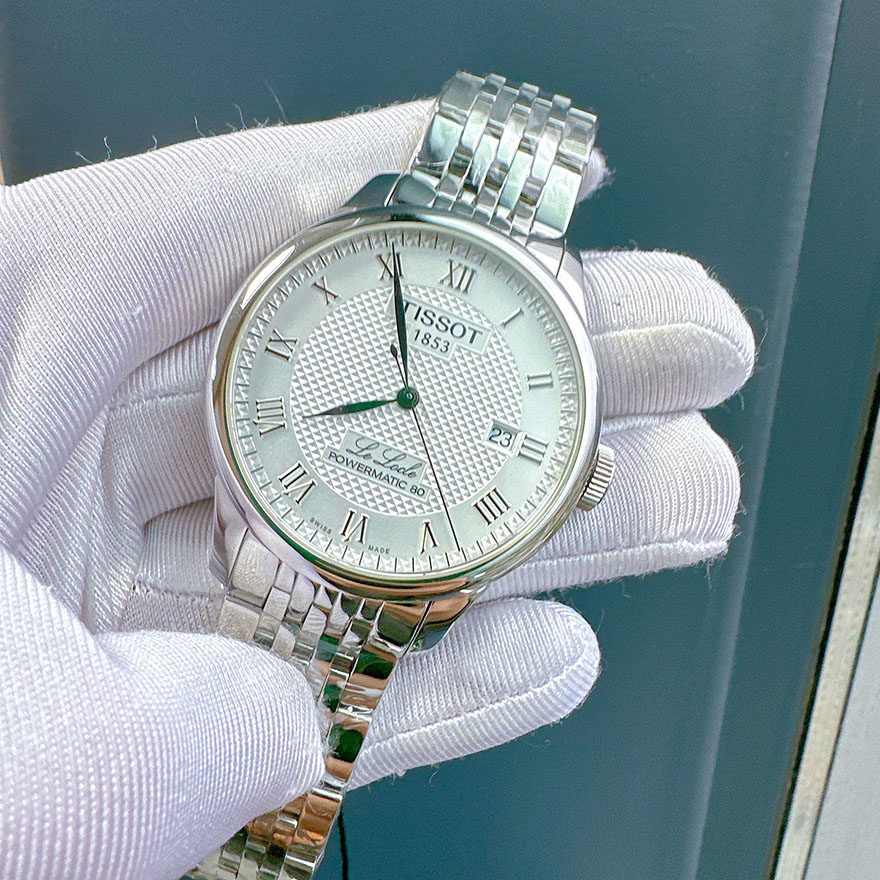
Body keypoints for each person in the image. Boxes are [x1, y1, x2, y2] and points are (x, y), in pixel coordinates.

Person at [0, 97, 754, 880]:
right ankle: (243, 856)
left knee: (248, 841)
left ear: (577, 480)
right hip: (266, 525)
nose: (406, 399)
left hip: (354, 559)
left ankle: (244, 857)